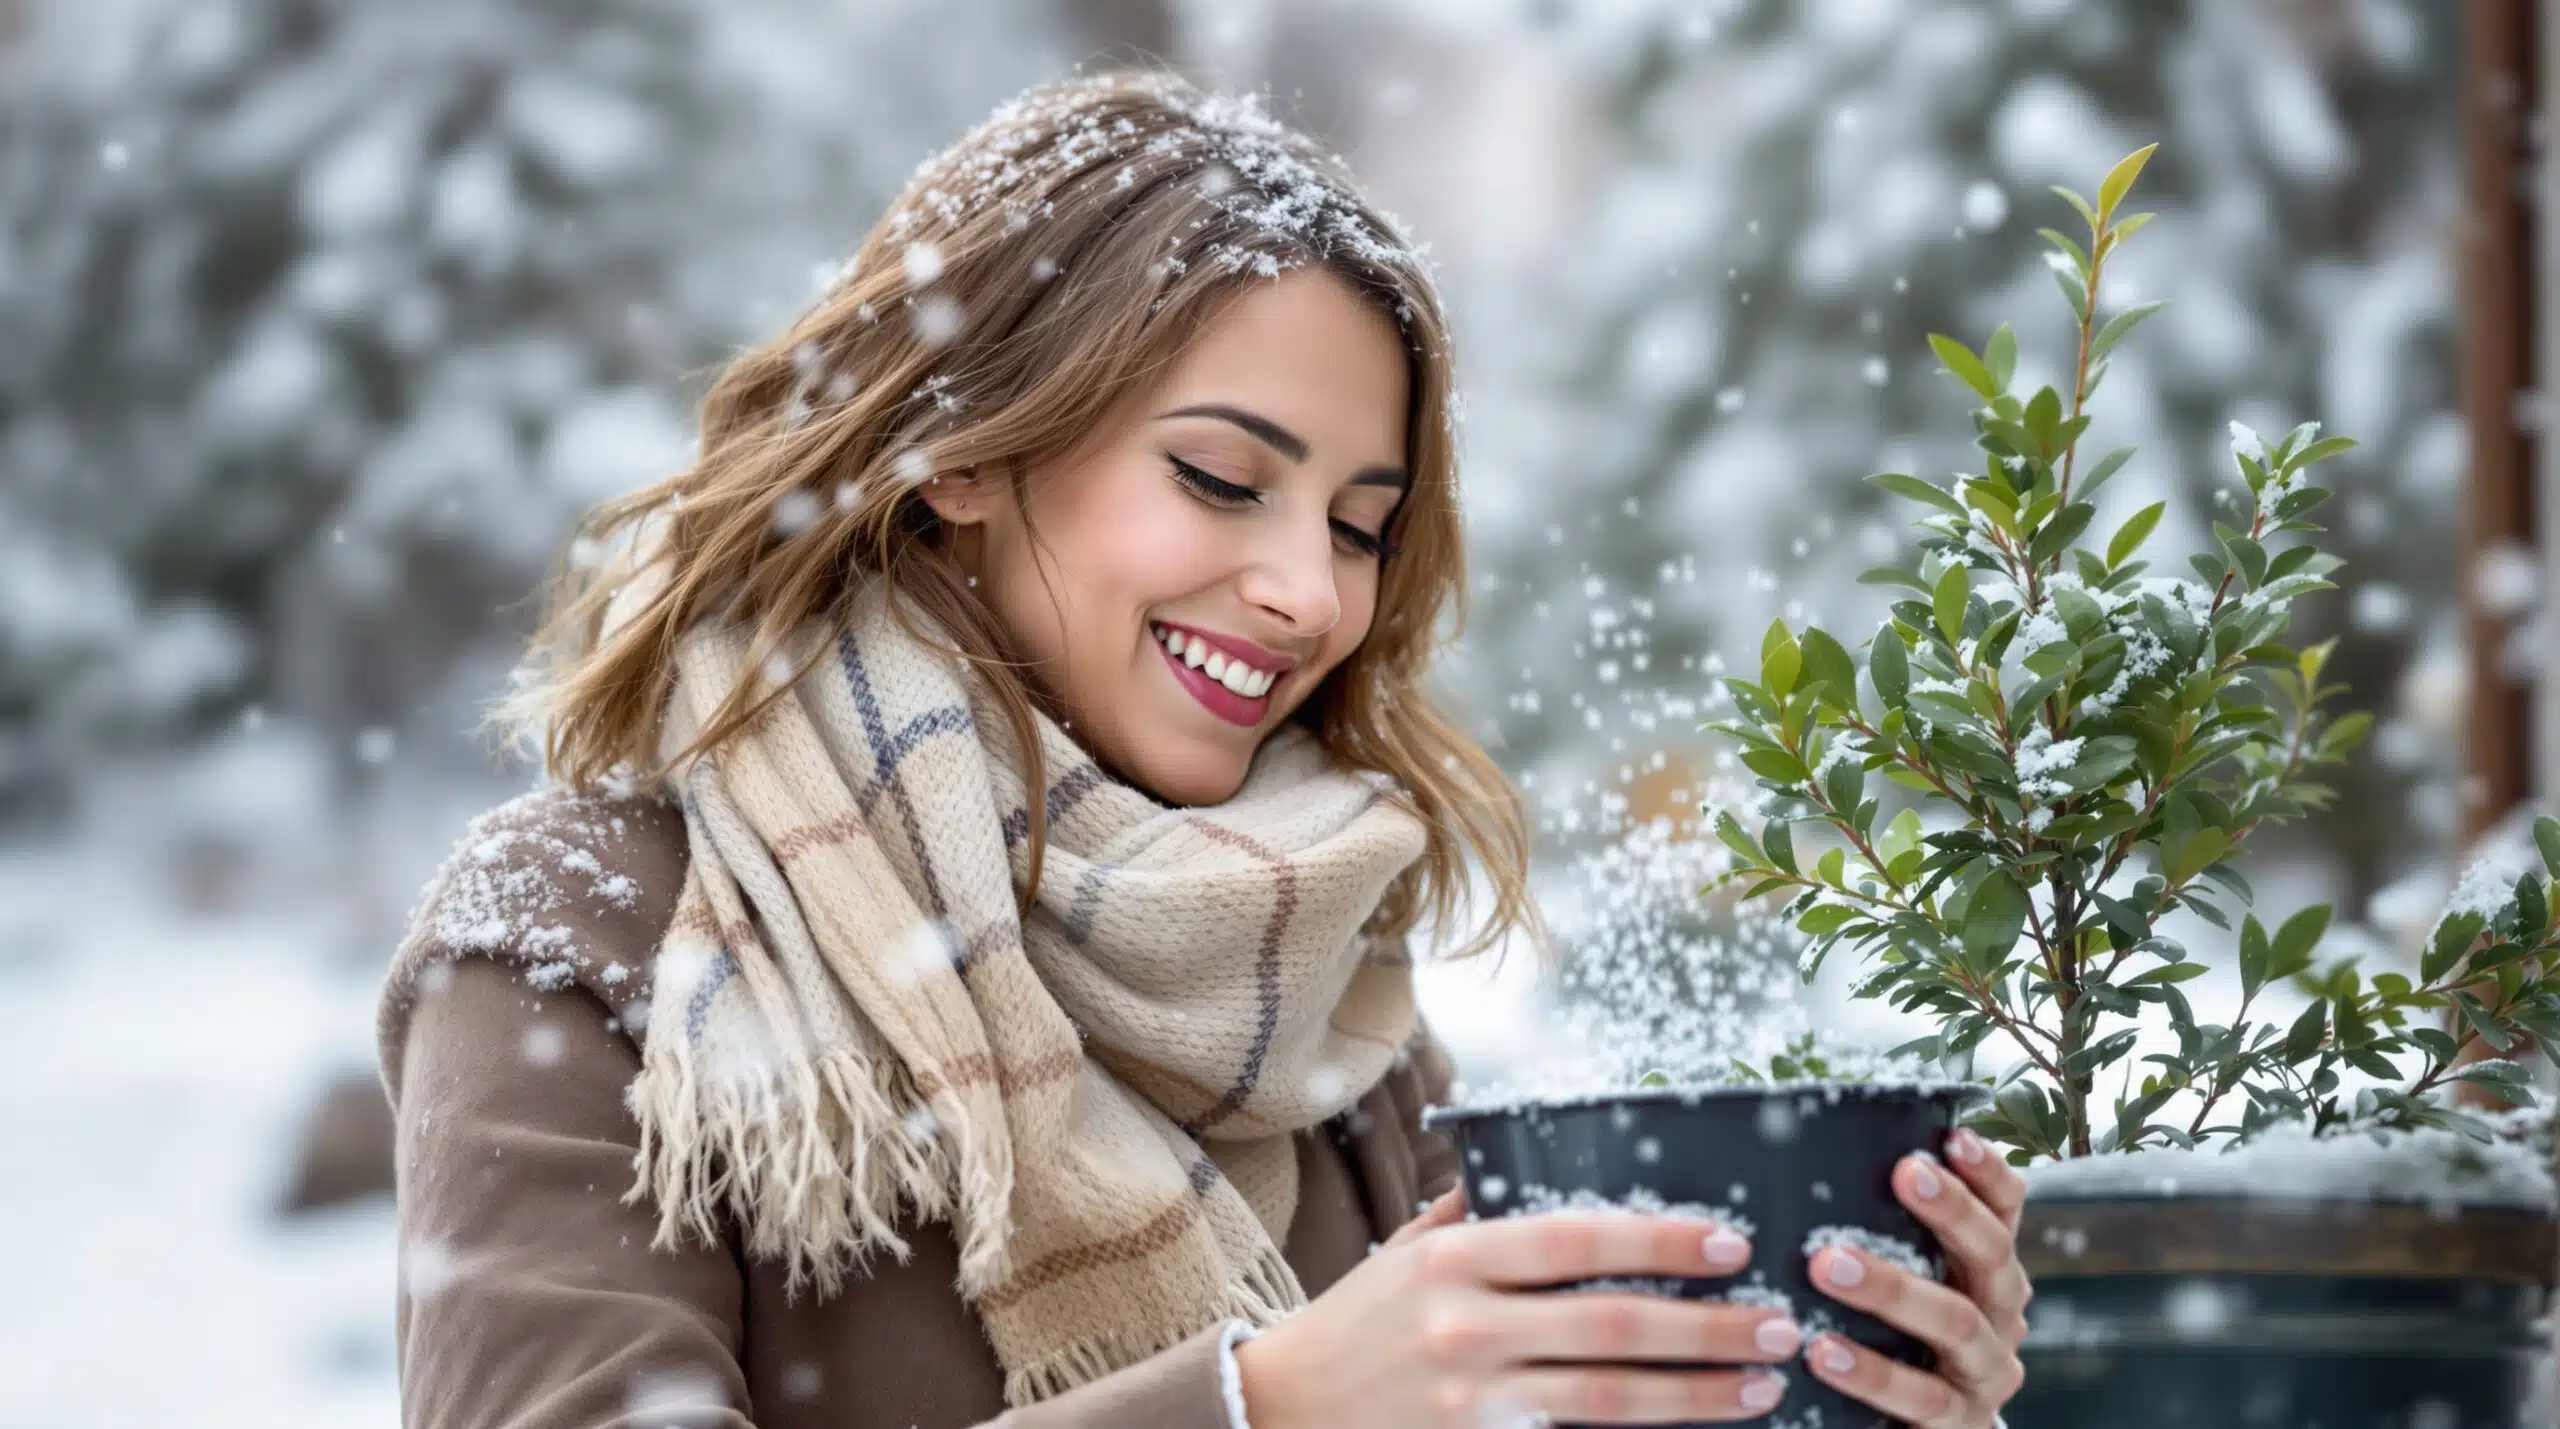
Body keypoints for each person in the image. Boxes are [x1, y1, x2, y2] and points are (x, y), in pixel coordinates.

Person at [376, 67, 2030, 1429]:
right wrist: (1255, 1407)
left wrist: (1858, 1378)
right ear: (963, 449)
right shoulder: (587, 933)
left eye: (1363, 526)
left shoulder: (1312, 969)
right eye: (1225, 481)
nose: (1310, 591)